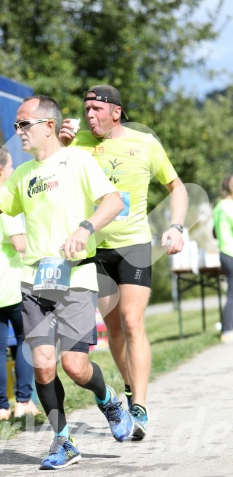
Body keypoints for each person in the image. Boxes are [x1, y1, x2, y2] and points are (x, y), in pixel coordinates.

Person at [0, 95, 134, 470]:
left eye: (23, 125)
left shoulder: (77, 160)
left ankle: (107, 397)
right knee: (44, 367)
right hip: (34, 282)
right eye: (16, 126)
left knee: (76, 367)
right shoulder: (21, 174)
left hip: (76, 276)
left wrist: (86, 227)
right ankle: (62, 440)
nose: (19, 133)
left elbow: (113, 202)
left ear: (48, 126)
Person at [59, 85, 188, 440]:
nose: (89, 115)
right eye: (86, 109)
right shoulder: (77, 141)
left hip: (133, 244)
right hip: (94, 250)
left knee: (133, 322)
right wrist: (61, 143)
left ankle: (140, 407)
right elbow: (49, 170)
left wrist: (176, 226)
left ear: (116, 111)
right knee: (113, 329)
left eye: (96, 109)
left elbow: (176, 186)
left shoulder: (145, 144)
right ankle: (130, 389)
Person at [0, 144, 38, 420]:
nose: (13, 169)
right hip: (12, 284)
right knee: (26, 341)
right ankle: (24, 401)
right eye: (11, 165)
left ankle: (1, 407)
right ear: (0, 169)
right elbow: (18, 243)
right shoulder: (2, 199)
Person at [213, 175, 233, 343]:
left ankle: (227, 328)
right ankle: (227, 330)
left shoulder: (219, 206)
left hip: (224, 252)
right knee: (232, 294)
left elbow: (214, 232)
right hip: (231, 252)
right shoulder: (229, 206)